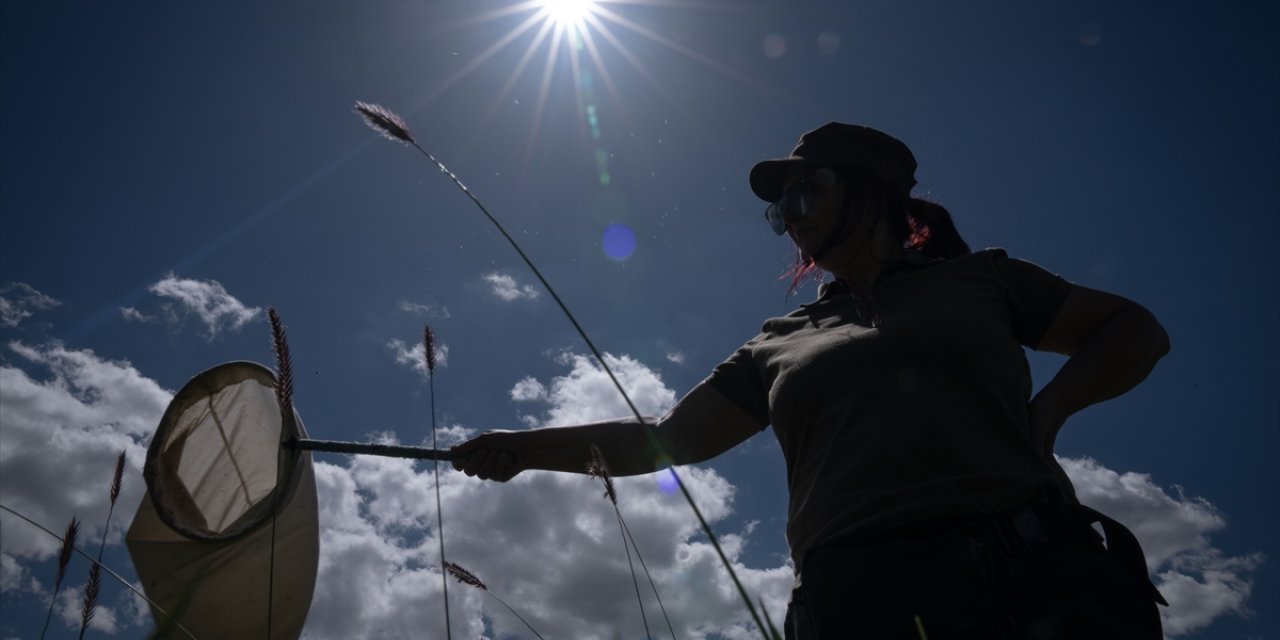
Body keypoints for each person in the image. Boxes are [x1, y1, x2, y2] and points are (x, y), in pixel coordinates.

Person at [451, 123, 1170, 638]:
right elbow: (665, 441)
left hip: (1027, 573)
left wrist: (1050, 413)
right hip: (852, 597)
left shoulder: (979, 280)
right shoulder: (778, 342)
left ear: (873, 192)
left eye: (804, 192)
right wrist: (522, 446)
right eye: (778, 207)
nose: (788, 217)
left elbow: (1134, 331)